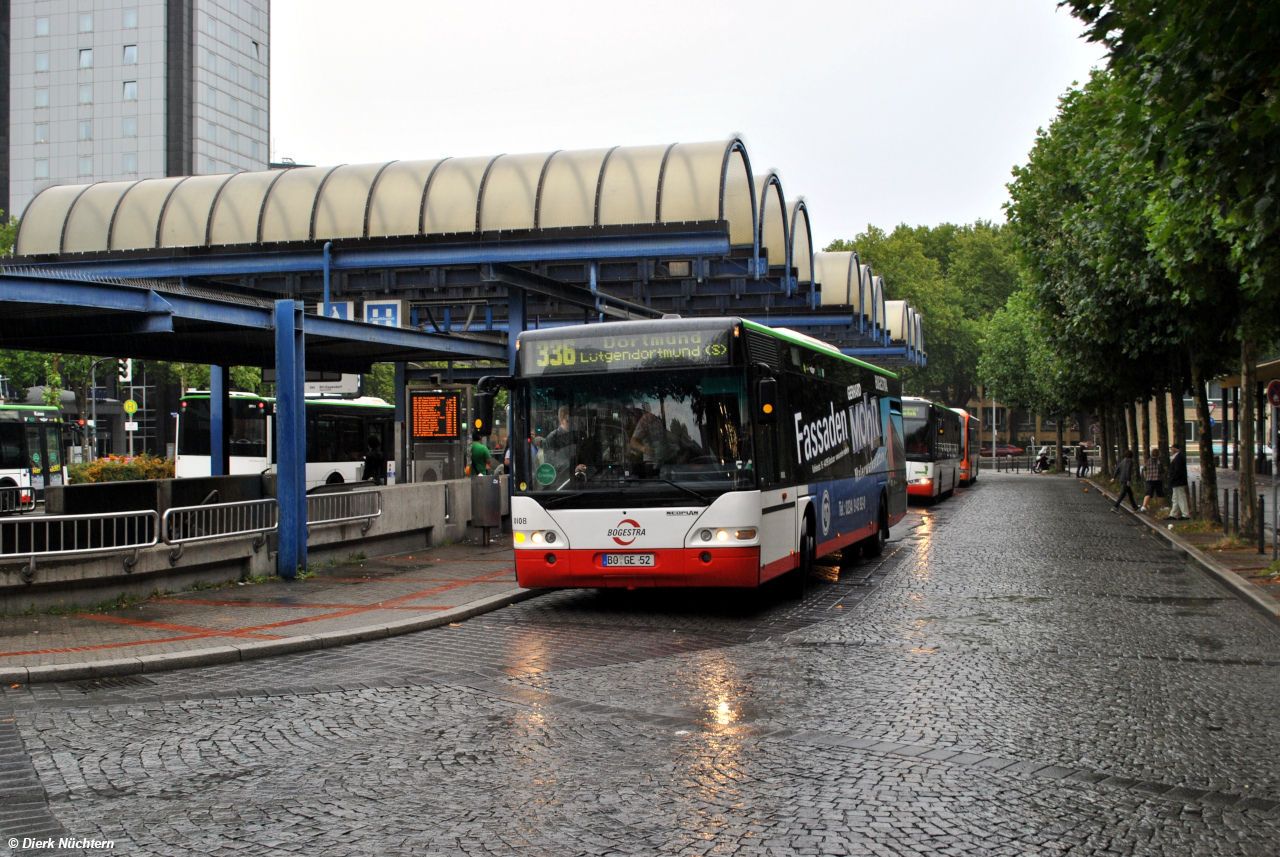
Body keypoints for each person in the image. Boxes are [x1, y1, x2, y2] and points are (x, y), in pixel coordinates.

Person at [1166, 443, 1190, 520]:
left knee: (1181, 498)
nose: (1171, 450)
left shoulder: (1178, 458)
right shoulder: (1177, 457)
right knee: (1175, 498)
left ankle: (1185, 515)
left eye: (1172, 448)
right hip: (1178, 481)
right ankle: (1173, 514)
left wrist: (1172, 478)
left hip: (1178, 481)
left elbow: (1177, 471)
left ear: (1175, 449)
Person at [1139, 447, 1163, 513]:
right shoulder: (1159, 461)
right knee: (1160, 494)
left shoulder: (1149, 460)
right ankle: (1162, 507)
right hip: (1157, 479)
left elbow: (1144, 468)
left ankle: (1144, 506)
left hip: (1149, 479)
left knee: (1148, 493)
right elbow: (1161, 469)